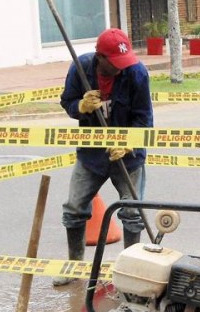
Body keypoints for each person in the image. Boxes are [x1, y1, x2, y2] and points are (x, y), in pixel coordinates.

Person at [53, 28, 153, 286]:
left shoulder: (137, 73)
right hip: (91, 155)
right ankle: (75, 266)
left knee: (132, 212)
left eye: (125, 61)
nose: (121, 68)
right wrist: (81, 107)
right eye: (115, 63)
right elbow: (68, 102)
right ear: (101, 57)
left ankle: (130, 271)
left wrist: (129, 144)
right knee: (74, 208)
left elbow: (144, 119)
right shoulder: (80, 68)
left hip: (128, 158)